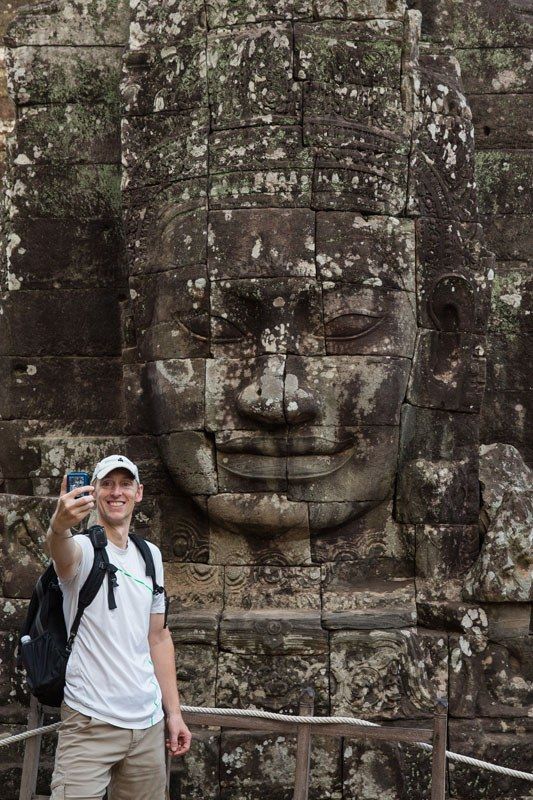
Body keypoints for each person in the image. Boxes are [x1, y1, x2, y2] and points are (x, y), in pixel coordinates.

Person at [46, 454, 191, 800]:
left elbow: (158, 637)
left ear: (138, 493)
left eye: (125, 484)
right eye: (107, 484)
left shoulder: (150, 556)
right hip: (90, 721)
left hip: (147, 724)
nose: (116, 492)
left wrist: (174, 713)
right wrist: (59, 524)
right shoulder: (82, 548)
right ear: (93, 491)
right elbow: (59, 551)